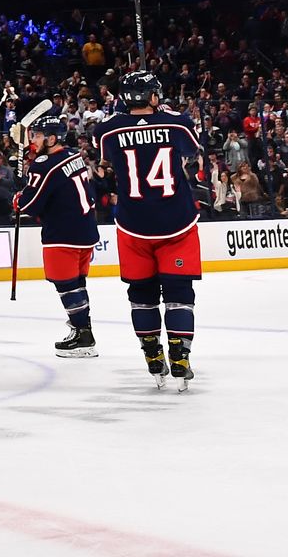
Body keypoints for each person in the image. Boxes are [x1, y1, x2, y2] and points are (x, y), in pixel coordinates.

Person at [95, 70, 204, 390]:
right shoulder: (177, 123)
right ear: (152, 96)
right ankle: (180, 355)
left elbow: (105, 161)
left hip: (133, 225)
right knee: (180, 294)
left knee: (141, 297)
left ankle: (152, 355)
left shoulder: (107, 131)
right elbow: (192, 154)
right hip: (177, 223)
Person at [16, 117, 100, 358]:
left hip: (63, 234)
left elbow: (30, 205)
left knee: (66, 285)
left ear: (52, 139)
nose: (34, 141)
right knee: (77, 282)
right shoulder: (73, 156)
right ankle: (81, 329)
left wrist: (19, 199)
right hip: (86, 230)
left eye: (38, 136)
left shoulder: (44, 165)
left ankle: (84, 336)